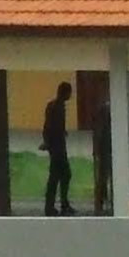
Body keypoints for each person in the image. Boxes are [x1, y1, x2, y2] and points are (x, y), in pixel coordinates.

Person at [41, 81, 77, 218]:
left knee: (58, 176)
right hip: (57, 147)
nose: (70, 95)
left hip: (57, 146)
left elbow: (49, 126)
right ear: (65, 93)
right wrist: (50, 142)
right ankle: (56, 205)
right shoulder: (57, 107)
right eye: (69, 92)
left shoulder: (55, 106)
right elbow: (51, 127)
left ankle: (56, 205)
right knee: (61, 176)